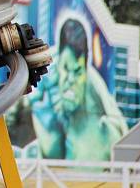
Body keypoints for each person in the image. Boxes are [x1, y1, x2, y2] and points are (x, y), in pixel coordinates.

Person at [28, 18, 127, 160]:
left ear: (85, 73)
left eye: (77, 71)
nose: (70, 79)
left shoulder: (105, 131)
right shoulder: (44, 109)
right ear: (58, 68)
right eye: (66, 68)